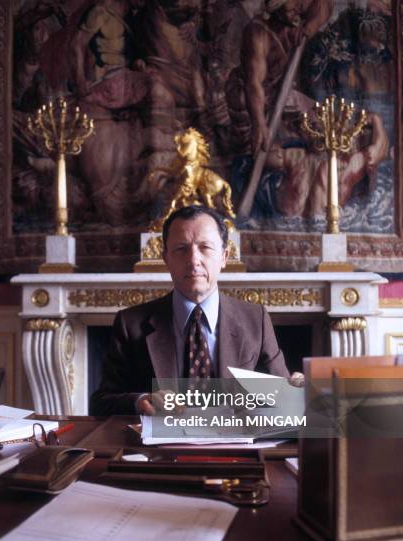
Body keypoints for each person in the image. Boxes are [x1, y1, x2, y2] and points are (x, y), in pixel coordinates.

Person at [90, 205, 300, 416]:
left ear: (224, 257)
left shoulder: (256, 319)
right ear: (166, 259)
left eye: (205, 248)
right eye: (181, 249)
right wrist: (142, 400)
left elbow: (283, 398)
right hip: (162, 447)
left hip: (236, 444)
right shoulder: (130, 324)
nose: (193, 260)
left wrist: (297, 391)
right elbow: (101, 402)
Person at [225, 0, 333, 154]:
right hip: (250, 96)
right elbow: (254, 83)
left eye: (298, 6)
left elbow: (325, 5)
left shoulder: (296, 17)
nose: (297, 12)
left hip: (279, 91)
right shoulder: (258, 33)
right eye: (290, 9)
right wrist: (259, 123)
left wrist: (307, 30)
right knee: (258, 147)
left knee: (323, 124)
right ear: (276, 10)